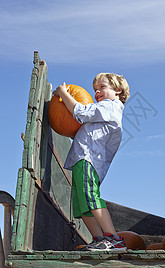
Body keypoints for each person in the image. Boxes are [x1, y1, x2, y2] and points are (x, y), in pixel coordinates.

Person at [53, 73, 130, 251]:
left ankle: (114, 239)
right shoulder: (103, 111)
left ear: (118, 91)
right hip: (81, 159)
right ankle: (99, 239)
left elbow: (80, 111)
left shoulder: (110, 106)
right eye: (95, 90)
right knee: (81, 203)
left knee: (90, 196)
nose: (97, 92)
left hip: (89, 159)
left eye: (102, 87)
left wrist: (64, 94)